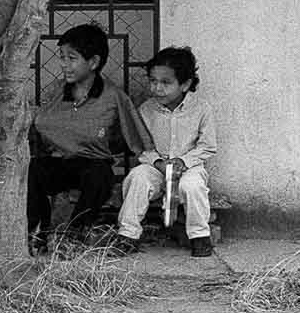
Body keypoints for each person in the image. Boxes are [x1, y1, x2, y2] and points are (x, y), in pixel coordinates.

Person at [27, 23, 152, 254]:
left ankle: (73, 236)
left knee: (100, 176)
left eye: (72, 58)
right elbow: (42, 122)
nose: (64, 64)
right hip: (60, 163)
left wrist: (152, 159)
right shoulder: (58, 90)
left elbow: (136, 135)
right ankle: (38, 234)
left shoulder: (113, 96)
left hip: (93, 164)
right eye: (62, 57)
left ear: (93, 62)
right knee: (34, 170)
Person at [112, 47, 220, 257]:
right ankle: (128, 234)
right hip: (156, 168)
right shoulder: (146, 110)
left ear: (186, 84)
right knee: (137, 178)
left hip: (189, 168)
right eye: (153, 81)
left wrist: (183, 161)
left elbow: (207, 146)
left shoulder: (201, 109)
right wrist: (158, 163)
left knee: (192, 186)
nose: (157, 88)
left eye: (166, 82)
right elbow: (142, 147)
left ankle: (199, 237)